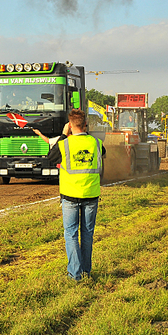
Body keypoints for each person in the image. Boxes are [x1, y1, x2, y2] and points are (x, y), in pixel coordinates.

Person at [47, 109, 106, 281]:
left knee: (71, 233)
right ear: (86, 124)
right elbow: (103, 154)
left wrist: (63, 136)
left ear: (70, 125)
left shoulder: (64, 143)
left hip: (70, 195)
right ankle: (86, 271)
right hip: (91, 193)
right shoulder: (95, 142)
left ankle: (75, 274)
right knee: (87, 233)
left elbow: (51, 158)